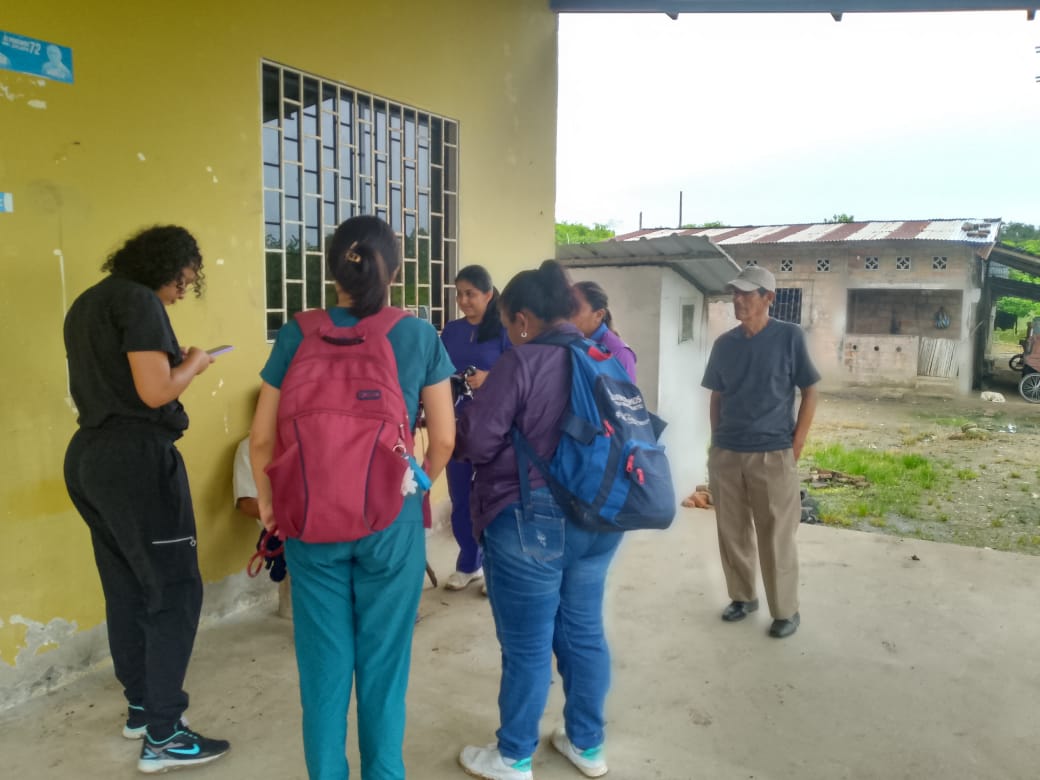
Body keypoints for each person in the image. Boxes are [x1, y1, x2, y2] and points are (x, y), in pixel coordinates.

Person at [249, 215, 455, 780]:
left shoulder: (296, 333)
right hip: (390, 523)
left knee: (323, 672)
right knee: (384, 670)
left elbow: (261, 438)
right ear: (397, 271)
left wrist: (270, 506)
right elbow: (444, 439)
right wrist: (415, 485)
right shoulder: (417, 335)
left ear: (332, 269)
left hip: (309, 521)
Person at [62, 225, 230, 774]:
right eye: (182, 282)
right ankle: (164, 733)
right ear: (164, 267)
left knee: (128, 586)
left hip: (90, 456)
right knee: (174, 589)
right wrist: (194, 364)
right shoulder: (139, 302)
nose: (182, 293)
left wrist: (170, 360)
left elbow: (119, 376)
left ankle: (140, 707)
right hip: (136, 462)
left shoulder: (89, 303)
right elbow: (156, 392)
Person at [456, 260, 622, 780]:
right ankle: (587, 745)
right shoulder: (603, 355)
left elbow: (478, 441)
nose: (509, 333)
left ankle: (513, 756)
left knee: (527, 645)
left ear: (523, 320)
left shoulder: (522, 362)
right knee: (584, 632)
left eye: (508, 323)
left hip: (532, 521)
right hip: (601, 517)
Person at [700, 266, 820, 640]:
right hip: (728, 453)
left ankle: (785, 611)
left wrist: (796, 444)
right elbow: (717, 396)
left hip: (772, 452)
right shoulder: (725, 345)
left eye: (747, 293)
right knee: (731, 530)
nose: (738, 299)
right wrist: (717, 442)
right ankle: (742, 597)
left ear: (769, 298)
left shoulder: (789, 337)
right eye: (735, 293)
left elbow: (810, 390)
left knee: (776, 537)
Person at [439, 264, 511, 592]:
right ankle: (469, 562)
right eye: (459, 294)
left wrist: (489, 377)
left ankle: (495, 567)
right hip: (456, 424)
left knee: (492, 496)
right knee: (460, 497)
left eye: (470, 294)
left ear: (488, 294)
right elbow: (437, 370)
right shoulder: (452, 331)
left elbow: (520, 373)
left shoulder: (504, 330)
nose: (463, 300)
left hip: (494, 428)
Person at [234, 436, 292, 619]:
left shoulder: (316, 439)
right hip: (289, 537)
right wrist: (289, 517)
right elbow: (246, 503)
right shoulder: (251, 447)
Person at [570, 280, 637, 383]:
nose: (567, 315)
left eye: (575, 309)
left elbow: (624, 392)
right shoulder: (571, 343)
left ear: (599, 315)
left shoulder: (618, 352)